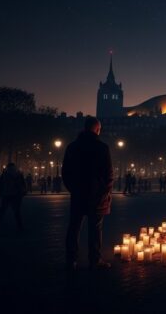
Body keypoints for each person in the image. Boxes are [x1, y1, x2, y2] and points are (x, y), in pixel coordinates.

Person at [61, 116, 114, 271]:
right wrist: (105, 192)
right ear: (97, 129)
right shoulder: (102, 148)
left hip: (78, 193)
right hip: (96, 195)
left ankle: (71, 260)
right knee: (95, 229)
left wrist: (73, 188)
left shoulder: (72, 147)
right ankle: (94, 259)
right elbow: (109, 174)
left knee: (74, 227)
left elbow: (65, 172)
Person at [0, 163, 26, 233]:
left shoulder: (4, 174)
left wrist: (1, 193)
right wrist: (22, 193)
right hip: (16, 195)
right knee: (17, 212)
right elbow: (22, 184)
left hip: (6, 194)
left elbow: (0, 184)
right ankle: (20, 226)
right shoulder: (19, 174)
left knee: (2, 211)